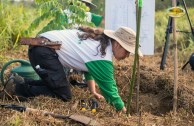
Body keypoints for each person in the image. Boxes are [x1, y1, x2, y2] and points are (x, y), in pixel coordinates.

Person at [1, 26, 143, 112]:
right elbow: (110, 90)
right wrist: (123, 110)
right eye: (127, 51)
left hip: (43, 47)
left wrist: (92, 90)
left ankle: (19, 82)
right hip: (44, 51)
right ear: (117, 44)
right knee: (65, 95)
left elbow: (88, 68)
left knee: (57, 85)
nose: (128, 55)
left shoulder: (102, 45)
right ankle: (17, 89)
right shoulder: (103, 55)